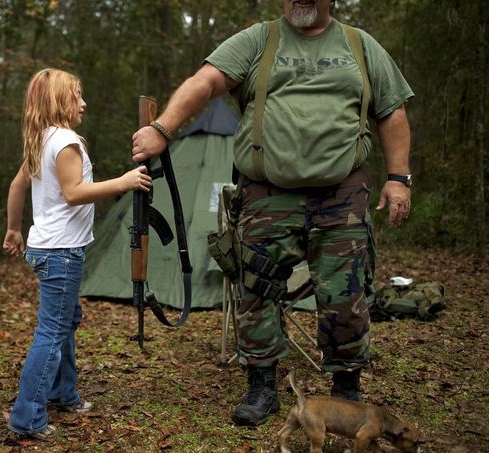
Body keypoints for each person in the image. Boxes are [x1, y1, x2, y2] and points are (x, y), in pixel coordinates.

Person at [132, 0, 413, 427]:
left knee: (345, 294)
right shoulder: (258, 40)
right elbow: (205, 82)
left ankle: (346, 389)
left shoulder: (361, 46)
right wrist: (163, 128)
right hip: (267, 195)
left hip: (341, 195)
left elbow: (392, 111)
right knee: (256, 290)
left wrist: (399, 179)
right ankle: (262, 385)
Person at [3, 68, 152, 439]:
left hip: (46, 248)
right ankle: (27, 417)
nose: (83, 103)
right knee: (52, 330)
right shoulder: (66, 141)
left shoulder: (42, 139)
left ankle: (63, 393)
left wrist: (13, 229)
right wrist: (124, 181)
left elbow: (17, 185)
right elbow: (73, 192)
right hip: (61, 253)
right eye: (77, 96)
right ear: (58, 101)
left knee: (65, 321)